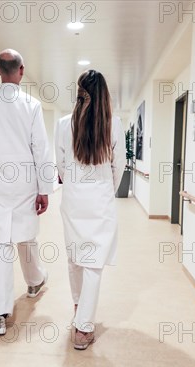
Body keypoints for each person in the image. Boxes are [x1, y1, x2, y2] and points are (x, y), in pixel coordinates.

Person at [0, 49, 53, 336]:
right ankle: (34, 281)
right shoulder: (32, 105)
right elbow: (41, 149)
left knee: (1, 246)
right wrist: (44, 189)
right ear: (21, 70)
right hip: (25, 185)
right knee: (26, 237)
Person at [55, 70, 126, 350]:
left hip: (73, 200)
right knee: (93, 263)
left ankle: (78, 309)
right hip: (100, 201)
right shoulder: (114, 125)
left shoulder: (63, 125)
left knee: (75, 258)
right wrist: (106, 189)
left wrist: (73, 183)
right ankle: (83, 328)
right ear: (104, 96)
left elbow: (60, 165)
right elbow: (117, 168)